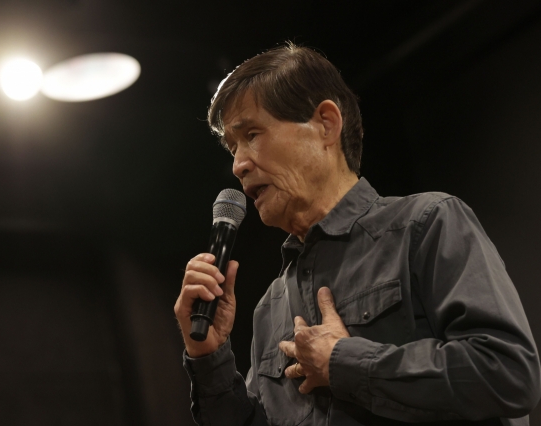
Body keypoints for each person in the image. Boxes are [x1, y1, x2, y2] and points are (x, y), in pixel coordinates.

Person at [173, 43, 541, 426]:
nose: (238, 165)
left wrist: (342, 362)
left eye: (251, 134)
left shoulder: (426, 224)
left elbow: (508, 374)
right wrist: (208, 356)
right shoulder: (271, 306)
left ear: (326, 124)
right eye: (232, 148)